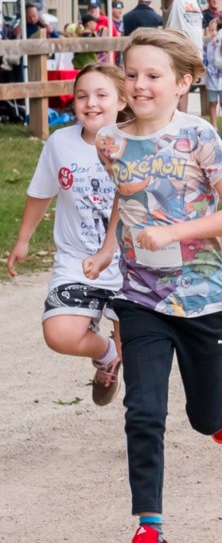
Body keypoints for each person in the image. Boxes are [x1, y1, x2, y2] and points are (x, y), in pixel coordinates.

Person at [82, 28, 222, 543]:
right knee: (144, 412)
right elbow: (122, 193)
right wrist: (112, 244)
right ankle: (150, 535)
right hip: (140, 299)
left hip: (203, 297)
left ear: (183, 82)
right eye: (131, 74)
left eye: (153, 75)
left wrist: (181, 230)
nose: (139, 85)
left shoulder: (200, 135)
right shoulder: (109, 141)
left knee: (205, 420)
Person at [7, 63, 124, 406]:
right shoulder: (60, 142)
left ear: (121, 101)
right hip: (78, 259)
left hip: (130, 264)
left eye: (102, 95)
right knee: (58, 334)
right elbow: (42, 192)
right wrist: (24, 239)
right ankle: (106, 354)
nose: (91, 103)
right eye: (82, 96)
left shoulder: (135, 141)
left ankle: (142, 423)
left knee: (136, 346)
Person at [162, 0, 204, 112]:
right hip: (176, 47)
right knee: (175, 83)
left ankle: (182, 116)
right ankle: (172, 114)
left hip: (193, 49)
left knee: (186, 84)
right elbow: (167, 2)